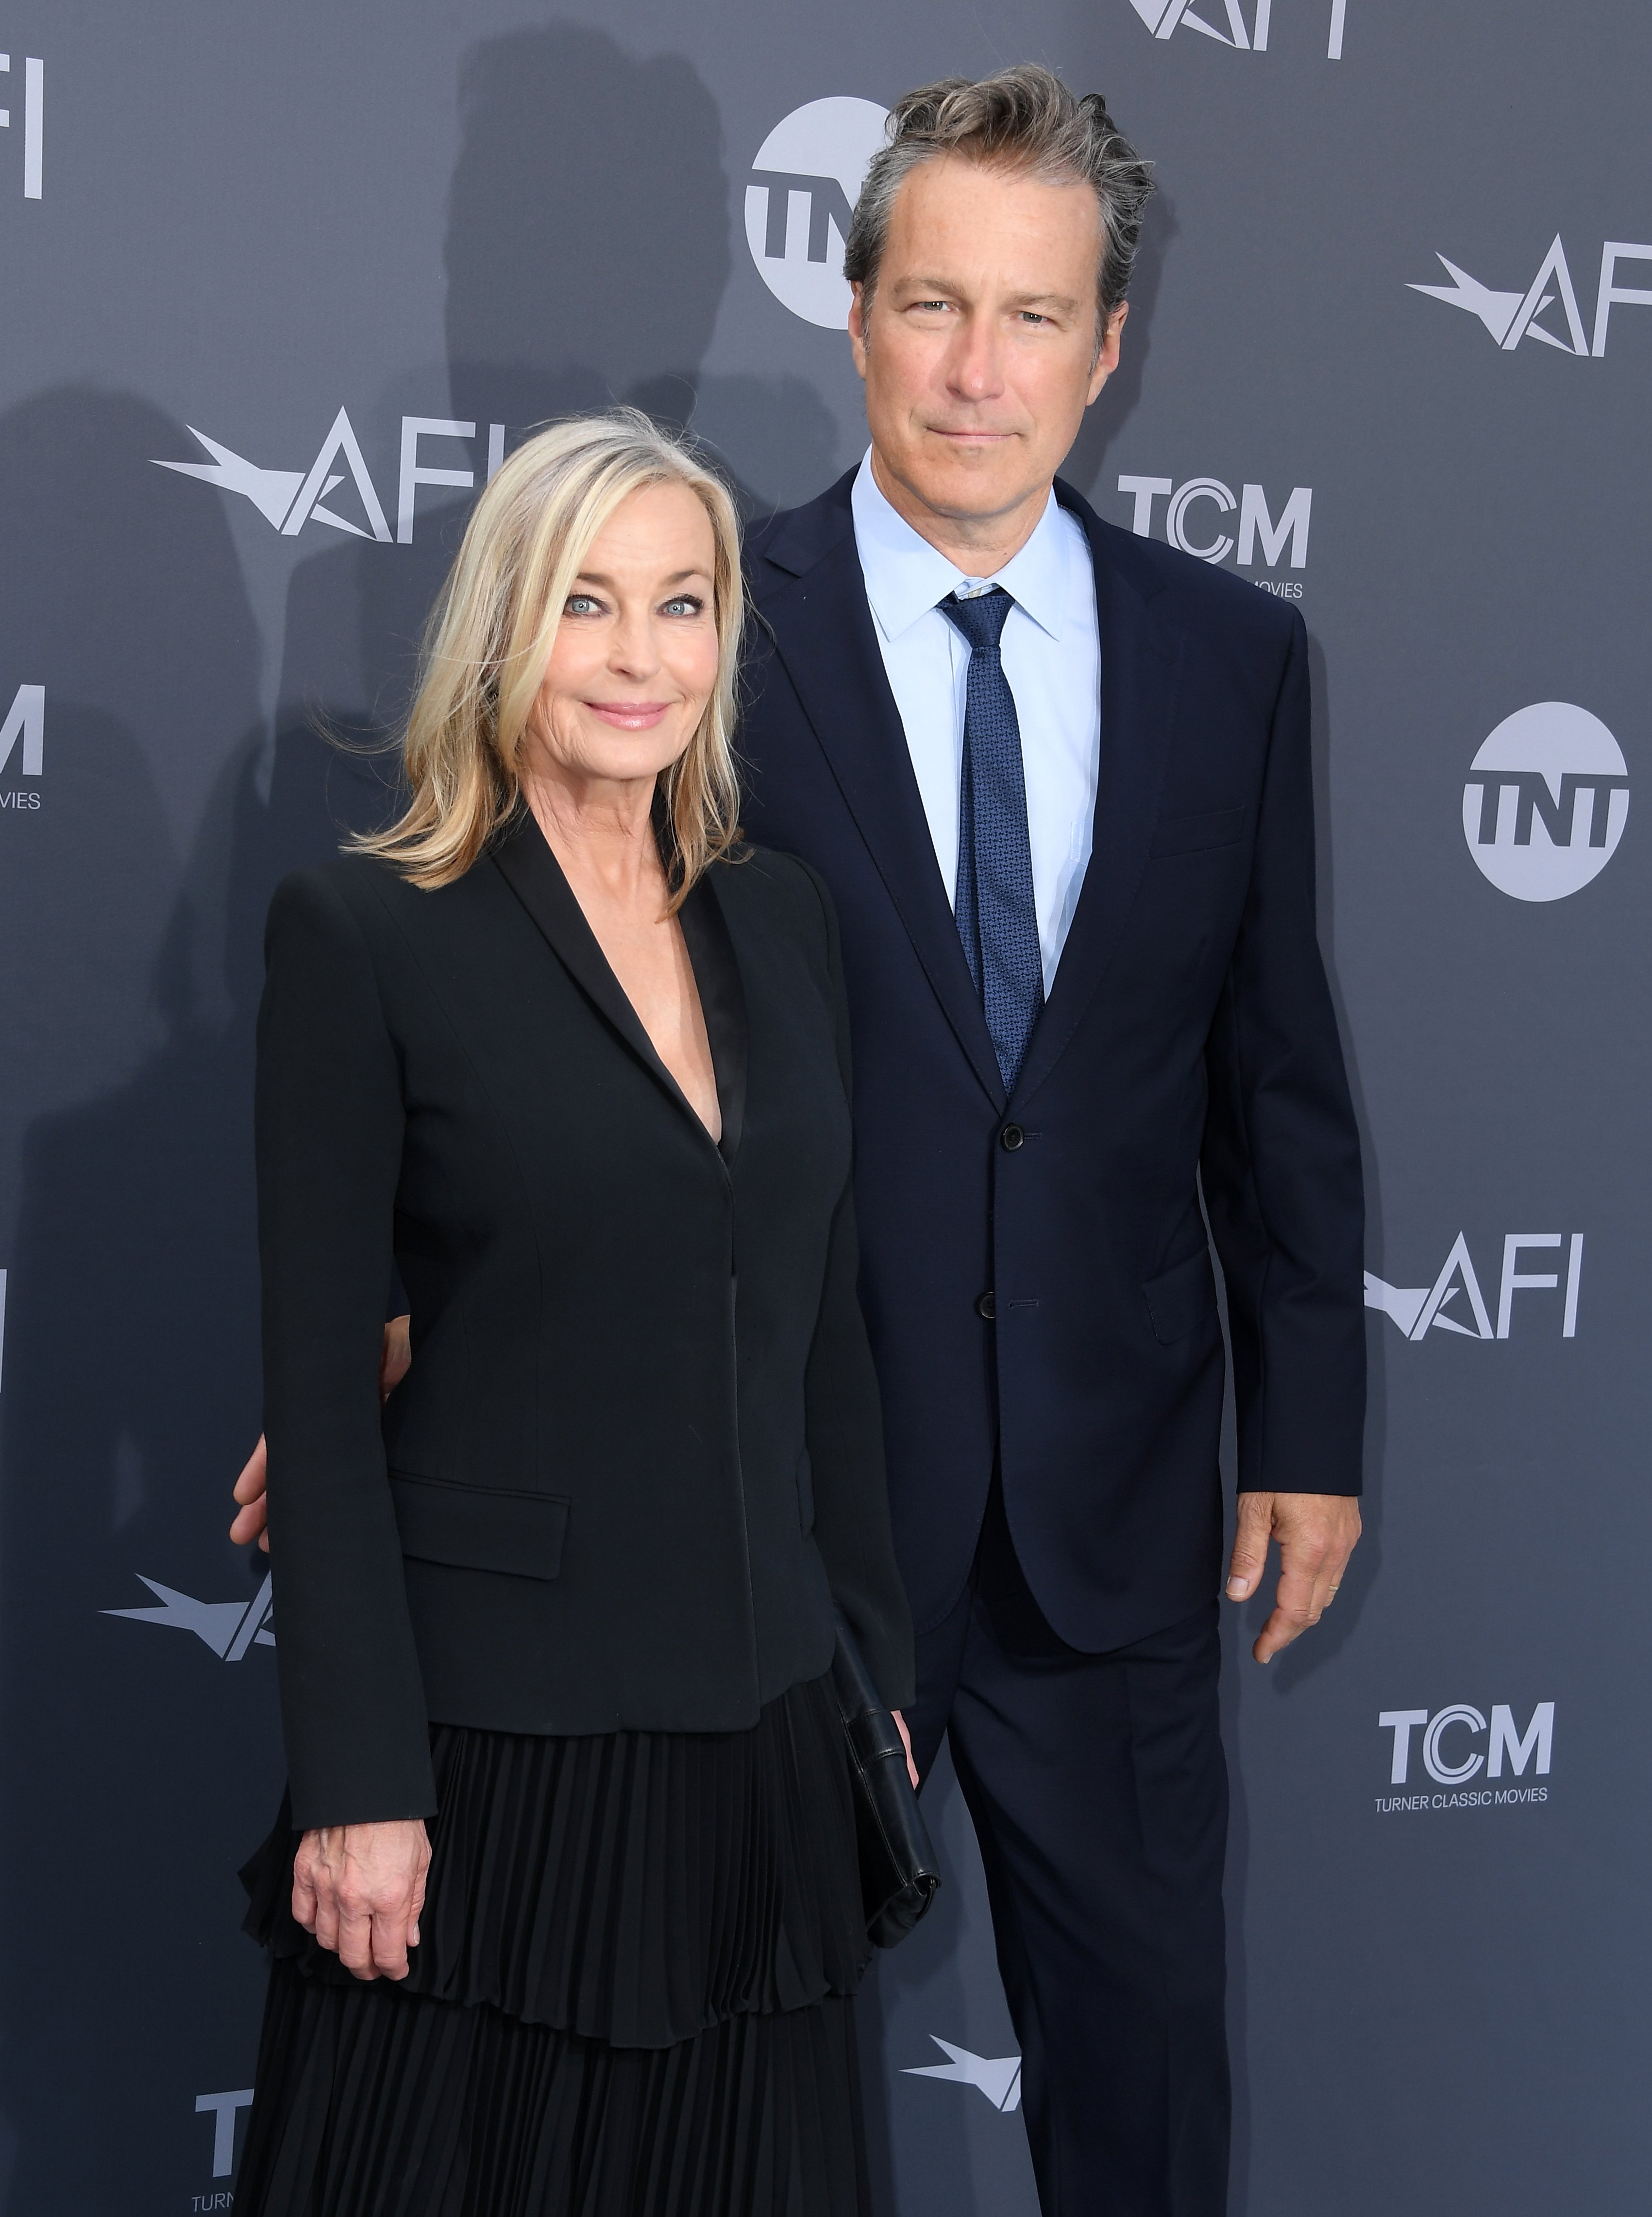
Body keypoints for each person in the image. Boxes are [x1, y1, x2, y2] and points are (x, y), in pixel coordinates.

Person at [236, 63, 1366, 2217]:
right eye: (929, 301)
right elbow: (522, 1024)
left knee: (1140, 2091)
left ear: (1108, 346)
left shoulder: (1234, 660)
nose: (973, 367)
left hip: (1108, 1524)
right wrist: (410, 1347)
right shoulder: (684, 626)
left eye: (1031, 315)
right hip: (749, 1537)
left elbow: (1270, 1070)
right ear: (847, 314)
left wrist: (1301, 1418)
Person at [233, 410, 915, 2217]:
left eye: (682, 605)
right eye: (589, 604)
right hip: (491, 1763)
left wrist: (876, 1672)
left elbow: (820, 1327)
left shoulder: (780, 922)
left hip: (763, 1740)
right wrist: (355, 1784)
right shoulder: (366, 933)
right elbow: (317, 1385)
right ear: (504, 630)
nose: (640, 657)